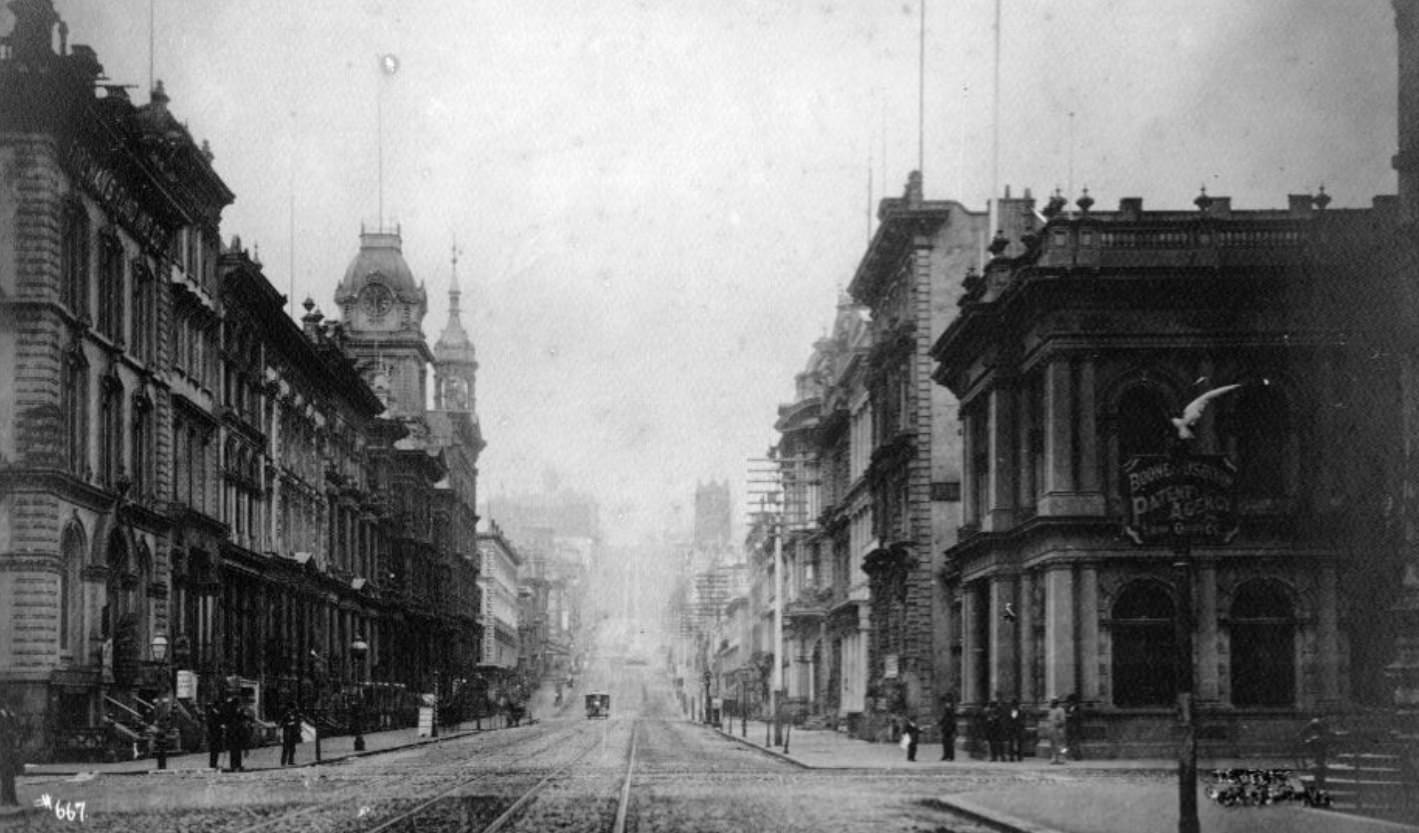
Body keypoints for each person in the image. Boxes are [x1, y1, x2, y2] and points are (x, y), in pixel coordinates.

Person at [0, 701, 19, 807]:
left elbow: (15, 729)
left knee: (10, 776)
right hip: (3, 749)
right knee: (5, 775)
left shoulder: (10, 715)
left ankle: (11, 799)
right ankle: (5, 799)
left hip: (10, 749)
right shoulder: (1, 715)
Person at [223, 696, 247, 772]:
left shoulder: (236, 710)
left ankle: (236, 765)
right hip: (233, 732)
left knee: (236, 750)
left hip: (236, 732)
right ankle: (235, 766)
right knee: (235, 750)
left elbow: (242, 718)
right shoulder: (231, 711)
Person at [205, 701, 225, 770]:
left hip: (217, 733)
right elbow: (212, 724)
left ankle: (214, 763)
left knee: (217, 749)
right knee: (214, 749)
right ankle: (212, 764)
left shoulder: (218, 713)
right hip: (214, 734)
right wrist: (219, 726)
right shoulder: (212, 713)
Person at [1048, 698, 1068, 764]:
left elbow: (1063, 720)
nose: (1050, 704)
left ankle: (1062, 758)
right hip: (1052, 730)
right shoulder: (1051, 710)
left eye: (1051, 702)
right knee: (1053, 744)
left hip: (1059, 730)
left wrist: (1057, 723)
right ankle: (1054, 757)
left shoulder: (1061, 710)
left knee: (1061, 745)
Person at [1065, 693, 1083, 761]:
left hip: (1075, 727)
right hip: (1069, 727)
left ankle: (1077, 756)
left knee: (1075, 743)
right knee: (1068, 742)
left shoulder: (1077, 708)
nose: (1069, 703)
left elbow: (1078, 716)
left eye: (1070, 701)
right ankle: (1068, 755)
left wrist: (1071, 715)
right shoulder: (1068, 708)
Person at [938, 696, 957, 761]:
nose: (946, 704)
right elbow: (944, 718)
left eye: (947, 703)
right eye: (946, 703)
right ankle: (946, 755)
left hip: (949, 729)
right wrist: (939, 723)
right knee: (945, 742)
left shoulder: (950, 710)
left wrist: (953, 729)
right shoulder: (946, 710)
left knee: (949, 743)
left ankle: (950, 756)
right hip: (945, 728)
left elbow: (952, 720)